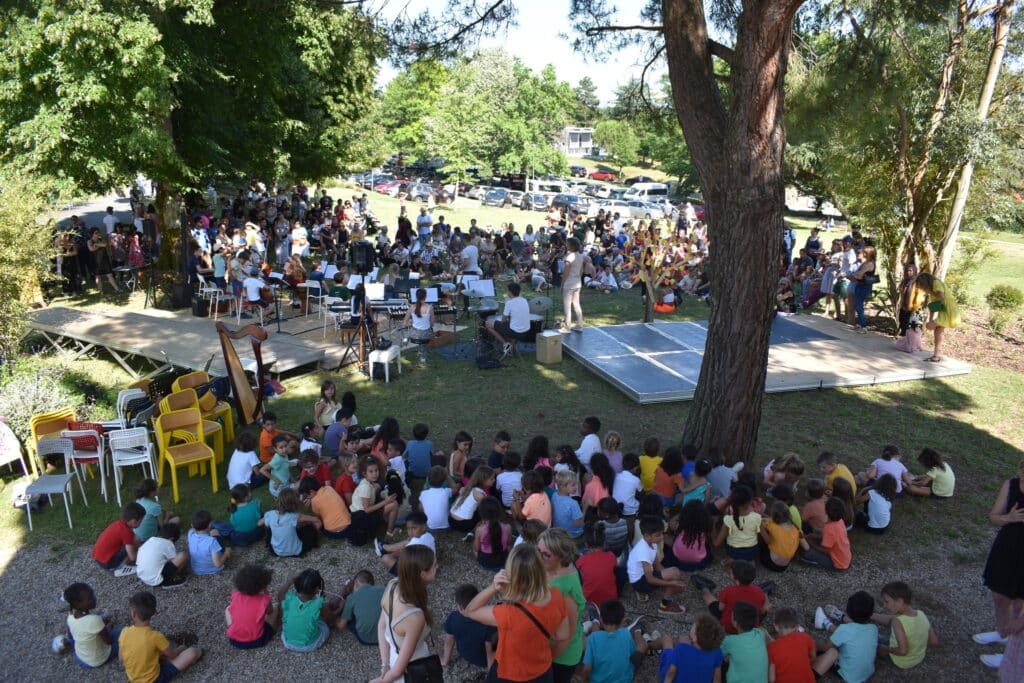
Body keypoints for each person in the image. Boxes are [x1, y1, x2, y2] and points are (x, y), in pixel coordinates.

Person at [463, 544, 571, 683]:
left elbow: (470, 611)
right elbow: (563, 636)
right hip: (542, 672)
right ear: (540, 569)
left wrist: (493, 587)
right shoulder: (557, 596)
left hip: (509, 674)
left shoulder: (508, 613)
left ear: (512, 575)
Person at [977, 458, 1024, 670]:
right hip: (1007, 547)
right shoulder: (1011, 484)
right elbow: (993, 517)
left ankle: (1011, 654)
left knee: (1020, 606)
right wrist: (1010, 517)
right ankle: (1002, 632)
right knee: (999, 596)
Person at [373, 545, 438, 683]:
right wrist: (381, 681)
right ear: (422, 574)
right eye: (434, 565)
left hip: (394, 656)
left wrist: (385, 665)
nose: (437, 567)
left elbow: (381, 626)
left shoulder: (393, 584)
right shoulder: (415, 617)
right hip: (412, 667)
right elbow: (397, 671)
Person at [119, 591, 201, 683]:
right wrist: (181, 649)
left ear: (133, 613)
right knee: (193, 652)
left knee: (157, 654)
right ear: (154, 612)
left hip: (133, 678)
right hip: (155, 679)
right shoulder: (155, 636)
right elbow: (173, 656)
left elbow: (121, 659)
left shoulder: (124, 632)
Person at [538, 528, 586, 682]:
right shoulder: (552, 567)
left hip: (561, 656)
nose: (539, 557)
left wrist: (545, 662)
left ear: (561, 556)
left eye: (545, 554)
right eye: (538, 550)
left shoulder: (566, 591)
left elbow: (566, 637)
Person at [812, 591, 878, 682]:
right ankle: (830, 622)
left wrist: (811, 643)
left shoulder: (844, 629)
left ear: (848, 612)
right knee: (851, 634)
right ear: (871, 614)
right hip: (867, 673)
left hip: (849, 676)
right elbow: (856, 631)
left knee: (832, 651)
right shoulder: (873, 629)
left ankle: (825, 622)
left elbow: (825, 647)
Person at [873, 581, 938, 669]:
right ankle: (870, 615)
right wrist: (917, 641)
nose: (884, 605)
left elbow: (903, 651)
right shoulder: (921, 614)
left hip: (900, 662)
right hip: (918, 658)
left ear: (899, 601)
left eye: (886, 602)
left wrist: (885, 649)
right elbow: (933, 641)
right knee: (885, 631)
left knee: (871, 643)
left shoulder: (898, 621)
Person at [580, 599, 648, 683]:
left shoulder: (593, 638)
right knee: (638, 647)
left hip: (597, 680)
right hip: (625, 679)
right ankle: (637, 631)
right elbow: (633, 655)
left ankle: (595, 621)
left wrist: (582, 680)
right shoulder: (625, 634)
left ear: (602, 619)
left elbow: (587, 668)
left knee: (596, 636)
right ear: (622, 621)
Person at [627, 516, 686, 613]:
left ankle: (644, 592)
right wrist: (671, 583)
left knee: (674, 573)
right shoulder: (643, 551)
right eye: (658, 535)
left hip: (643, 576)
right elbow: (650, 579)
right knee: (674, 573)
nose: (662, 537)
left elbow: (657, 565)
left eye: (662, 533)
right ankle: (665, 606)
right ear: (647, 536)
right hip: (639, 582)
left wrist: (669, 578)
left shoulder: (652, 543)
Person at [693, 560, 768, 634]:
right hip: (751, 626)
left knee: (711, 602)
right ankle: (766, 591)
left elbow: (720, 608)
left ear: (734, 576)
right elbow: (762, 611)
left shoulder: (728, 591)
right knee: (762, 606)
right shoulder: (759, 591)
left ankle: (704, 588)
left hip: (730, 627)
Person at [61, 582, 121, 669]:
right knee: (122, 632)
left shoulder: (70, 616)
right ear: (78, 604)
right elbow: (109, 641)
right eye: (90, 598)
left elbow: (71, 634)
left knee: (97, 621)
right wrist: (106, 628)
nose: (94, 598)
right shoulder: (94, 620)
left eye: (92, 594)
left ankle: (68, 644)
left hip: (80, 657)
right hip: (97, 660)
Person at [279, 569, 341, 652]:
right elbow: (331, 618)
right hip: (309, 645)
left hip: (288, 642)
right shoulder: (318, 605)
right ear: (317, 589)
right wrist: (341, 608)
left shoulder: (290, 599)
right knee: (325, 625)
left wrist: (289, 581)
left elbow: (280, 595)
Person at [442, 584, 497, 673]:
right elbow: (490, 652)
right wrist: (491, 675)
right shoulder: (488, 624)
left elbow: (449, 640)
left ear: (460, 606)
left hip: (463, 653)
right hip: (483, 661)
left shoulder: (453, 617)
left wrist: (445, 660)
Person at [658, 613, 725, 683]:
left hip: (674, 672)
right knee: (683, 639)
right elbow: (717, 679)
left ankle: (648, 644)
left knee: (666, 639)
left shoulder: (681, 649)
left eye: (694, 626)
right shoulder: (717, 652)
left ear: (695, 638)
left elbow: (671, 673)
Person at [226, 564, 279, 649]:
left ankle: (232, 626)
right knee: (276, 610)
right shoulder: (264, 599)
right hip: (258, 640)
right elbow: (270, 612)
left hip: (234, 640)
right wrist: (266, 593)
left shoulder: (235, 595)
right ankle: (274, 629)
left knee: (228, 609)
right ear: (263, 586)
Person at [350, 456, 400, 542]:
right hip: (361, 517)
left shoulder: (367, 482)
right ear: (364, 474)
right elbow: (367, 510)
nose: (375, 474)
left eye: (376, 470)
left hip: (361, 513)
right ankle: (389, 533)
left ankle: (386, 528)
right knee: (394, 504)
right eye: (371, 472)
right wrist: (386, 501)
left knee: (389, 500)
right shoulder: (365, 487)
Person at [261, 487, 321, 557]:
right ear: (294, 503)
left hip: (277, 551)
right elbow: (316, 519)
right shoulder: (294, 516)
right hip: (296, 550)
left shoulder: (270, 514)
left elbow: (259, 523)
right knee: (311, 527)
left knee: (270, 529)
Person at [915, 272, 961, 362]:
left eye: (922, 286)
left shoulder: (936, 283)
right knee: (937, 331)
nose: (923, 289)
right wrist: (931, 320)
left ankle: (936, 355)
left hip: (948, 310)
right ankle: (936, 356)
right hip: (943, 311)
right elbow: (933, 306)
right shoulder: (932, 291)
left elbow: (941, 296)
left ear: (926, 283)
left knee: (931, 327)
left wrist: (930, 324)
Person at [719, 601, 769, 683]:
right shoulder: (760, 634)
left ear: (735, 623)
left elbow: (717, 654)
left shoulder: (730, 641)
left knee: (720, 664)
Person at [91, 502, 144, 577]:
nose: (142, 522)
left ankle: (119, 563)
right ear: (134, 521)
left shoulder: (118, 524)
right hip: (107, 563)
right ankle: (121, 567)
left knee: (135, 540)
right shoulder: (127, 532)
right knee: (132, 544)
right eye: (141, 520)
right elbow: (132, 557)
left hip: (98, 558)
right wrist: (143, 553)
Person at [376, 512, 436, 576]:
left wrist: (393, 554)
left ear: (424, 527)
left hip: (418, 576)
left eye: (414, 528)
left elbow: (403, 552)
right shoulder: (429, 536)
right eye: (408, 528)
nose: (410, 532)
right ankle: (385, 548)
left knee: (386, 558)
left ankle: (401, 579)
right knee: (401, 551)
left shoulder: (415, 542)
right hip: (430, 570)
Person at [713, 485, 762, 563]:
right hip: (752, 551)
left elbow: (716, 543)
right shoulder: (757, 517)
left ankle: (732, 560)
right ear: (750, 501)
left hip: (733, 552)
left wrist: (713, 525)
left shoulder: (728, 519)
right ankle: (748, 561)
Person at [800, 497, 851, 571]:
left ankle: (818, 563)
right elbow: (834, 536)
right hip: (846, 560)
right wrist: (816, 536)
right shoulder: (840, 521)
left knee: (808, 554)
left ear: (826, 511)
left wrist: (811, 544)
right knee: (817, 541)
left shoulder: (829, 528)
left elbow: (825, 551)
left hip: (837, 565)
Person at [767, 607, 816, 683]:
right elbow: (813, 655)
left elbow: (772, 679)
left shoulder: (772, 648)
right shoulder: (805, 637)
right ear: (797, 627)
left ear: (776, 627)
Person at [337, 570, 385, 646]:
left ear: (356, 582)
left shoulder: (351, 598)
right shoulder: (383, 589)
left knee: (350, 620)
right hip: (387, 636)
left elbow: (341, 626)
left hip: (366, 639)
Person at [576, 524, 620, 605]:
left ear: (586, 544)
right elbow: (615, 567)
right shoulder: (611, 556)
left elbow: (583, 576)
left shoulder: (581, 560)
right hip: (611, 597)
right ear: (604, 543)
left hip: (590, 599)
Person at [136, 523, 188, 588]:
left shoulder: (151, 539)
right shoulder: (168, 543)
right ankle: (169, 581)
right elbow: (173, 560)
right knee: (183, 555)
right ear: (171, 538)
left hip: (143, 576)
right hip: (157, 580)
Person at [486, 282, 532, 357]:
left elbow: (503, 320)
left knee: (488, 324)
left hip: (516, 332)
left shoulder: (509, 303)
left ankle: (505, 344)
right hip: (526, 332)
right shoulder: (524, 300)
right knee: (511, 324)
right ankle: (511, 346)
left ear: (510, 292)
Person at [450, 465, 496, 533]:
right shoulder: (480, 495)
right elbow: (484, 512)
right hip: (463, 524)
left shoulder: (467, 487)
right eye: (491, 479)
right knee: (486, 511)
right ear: (483, 480)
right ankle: (474, 530)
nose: (494, 480)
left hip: (451, 519)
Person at [758, 500, 802, 570]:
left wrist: (759, 520)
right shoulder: (795, 528)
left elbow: (763, 522)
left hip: (772, 563)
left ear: (773, 516)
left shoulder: (772, 526)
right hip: (785, 566)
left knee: (762, 536)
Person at [133, 479, 178, 544]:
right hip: (150, 538)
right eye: (157, 487)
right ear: (151, 492)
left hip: (136, 537)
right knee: (177, 519)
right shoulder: (155, 507)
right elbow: (162, 526)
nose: (158, 488)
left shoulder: (139, 500)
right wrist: (167, 516)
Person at [187, 509, 230, 576]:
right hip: (213, 570)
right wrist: (226, 554)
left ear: (192, 526)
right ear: (210, 524)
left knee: (213, 533)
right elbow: (217, 564)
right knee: (215, 532)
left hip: (196, 570)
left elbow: (191, 530)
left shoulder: (190, 534)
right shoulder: (211, 541)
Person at [849, 244, 877, 333]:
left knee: (858, 305)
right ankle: (860, 323)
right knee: (857, 305)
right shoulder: (865, 262)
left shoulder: (870, 264)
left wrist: (852, 275)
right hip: (859, 285)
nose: (862, 253)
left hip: (864, 286)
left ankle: (863, 326)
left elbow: (859, 274)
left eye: (864, 252)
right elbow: (857, 274)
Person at [560, 237, 585, 333]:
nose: (566, 245)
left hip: (569, 284)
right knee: (576, 304)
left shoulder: (569, 257)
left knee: (567, 305)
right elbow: (581, 271)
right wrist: (577, 279)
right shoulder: (580, 256)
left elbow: (565, 273)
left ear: (571, 246)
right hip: (577, 283)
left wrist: (562, 284)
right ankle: (580, 325)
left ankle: (567, 327)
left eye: (567, 244)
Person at [403, 287, 434, 364]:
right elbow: (432, 324)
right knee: (426, 332)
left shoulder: (412, 307)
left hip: (414, 336)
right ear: (425, 296)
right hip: (426, 335)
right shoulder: (430, 308)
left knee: (415, 331)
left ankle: (406, 341)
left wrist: (411, 323)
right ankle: (423, 356)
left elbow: (404, 323)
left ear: (416, 297)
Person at [551, 469, 584, 539]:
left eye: (576, 484)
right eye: (573, 485)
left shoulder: (554, 495)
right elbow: (578, 523)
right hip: (572, 535)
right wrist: (585, 507)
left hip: (558, 531)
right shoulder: (573, 503)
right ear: (562, 486)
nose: (576, 487)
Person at [418, 466, 452, 532]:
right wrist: (447, 476)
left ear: (428, 479)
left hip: (429, 528)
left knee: (421, 504)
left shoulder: (423, 493)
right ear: (444, 480)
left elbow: (421, 508)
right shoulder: (446, 491)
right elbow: (455, 488)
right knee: (452, 503)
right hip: (447, 527)